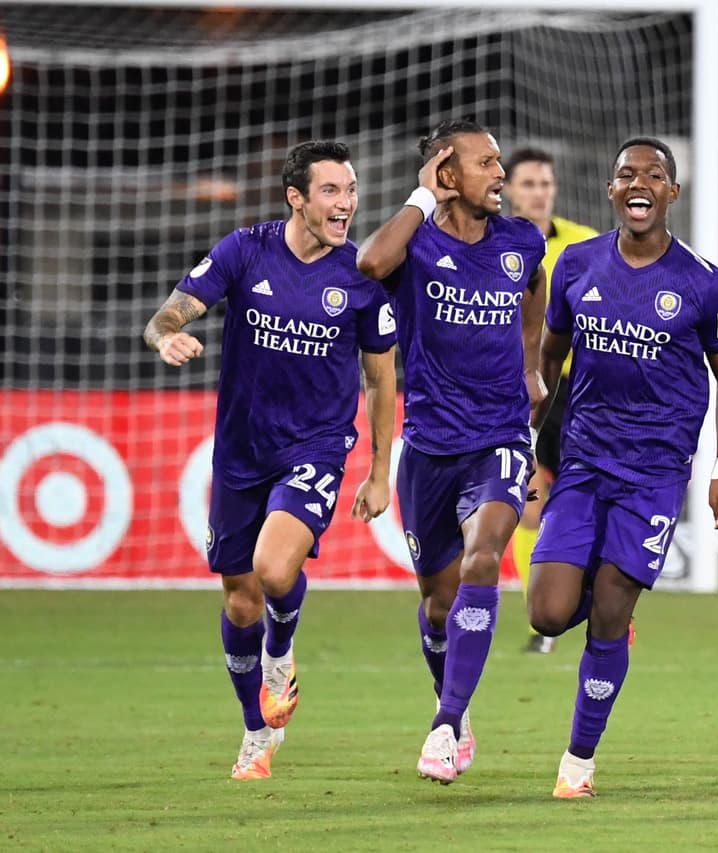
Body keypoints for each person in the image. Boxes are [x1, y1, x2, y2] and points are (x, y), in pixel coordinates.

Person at [142, 140, 399, 780]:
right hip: (240, 451)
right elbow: (172, 311)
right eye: (332, 192)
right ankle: (256, 733)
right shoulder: (244, 250)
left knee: (273, 567)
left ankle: (280, 656)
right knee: (238, 600)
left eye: (351, 190)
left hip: (315, 446)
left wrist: (379, 469)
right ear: (298, 198)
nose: (347, 204)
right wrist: (165, 334)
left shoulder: (361, 274)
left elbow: (381, 381)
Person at [526, 137, 718, 798]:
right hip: (584, 465)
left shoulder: (702, 282)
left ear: (671, 193)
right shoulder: (576, 265)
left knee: (609, 614)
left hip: (654, 474)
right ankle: (611, 601)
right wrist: (546, 438)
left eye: (654, 173)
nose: (639, 182)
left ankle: (577, 764)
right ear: (612, 191)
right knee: (546, 613)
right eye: (627, 173)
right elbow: (549, 356)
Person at [356, 119, 547, 785]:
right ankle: (455, 711)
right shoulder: (413, 246)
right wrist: (416, 195)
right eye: (486, 163)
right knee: (439, 603)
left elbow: (533, 295)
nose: (500, 174)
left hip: (499, 436)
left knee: (485, 557)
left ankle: (445, 722)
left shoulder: (521, 241)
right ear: (448, 175)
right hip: (430, 446)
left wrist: (531, 367)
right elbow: (370, 264)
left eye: (500, 162)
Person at [503, 147, 599, 654]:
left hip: (580, 392)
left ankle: (594, 604)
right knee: (528, 506)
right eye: (529, 184)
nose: (539, 192)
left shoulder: (584, 244)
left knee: (590, 499)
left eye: (545, 183)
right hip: (518, 390)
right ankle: (541, 622)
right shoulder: (491, 244)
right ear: (510, 190)